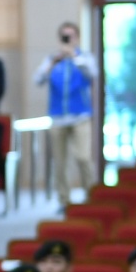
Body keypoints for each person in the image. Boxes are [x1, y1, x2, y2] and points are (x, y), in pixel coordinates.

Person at [36, 23, 98, 202]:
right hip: (57, 117)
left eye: (71, 36)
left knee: (83, 157)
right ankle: (64, 200)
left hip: (80, 116)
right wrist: (53, 63)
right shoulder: (52, 60)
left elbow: (92, 74)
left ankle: (92, 197)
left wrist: (74, 56)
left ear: (77, 38)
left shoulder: (85, 58)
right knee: (60, 163)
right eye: (64, 36)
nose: (68, 39)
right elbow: (38, 79)